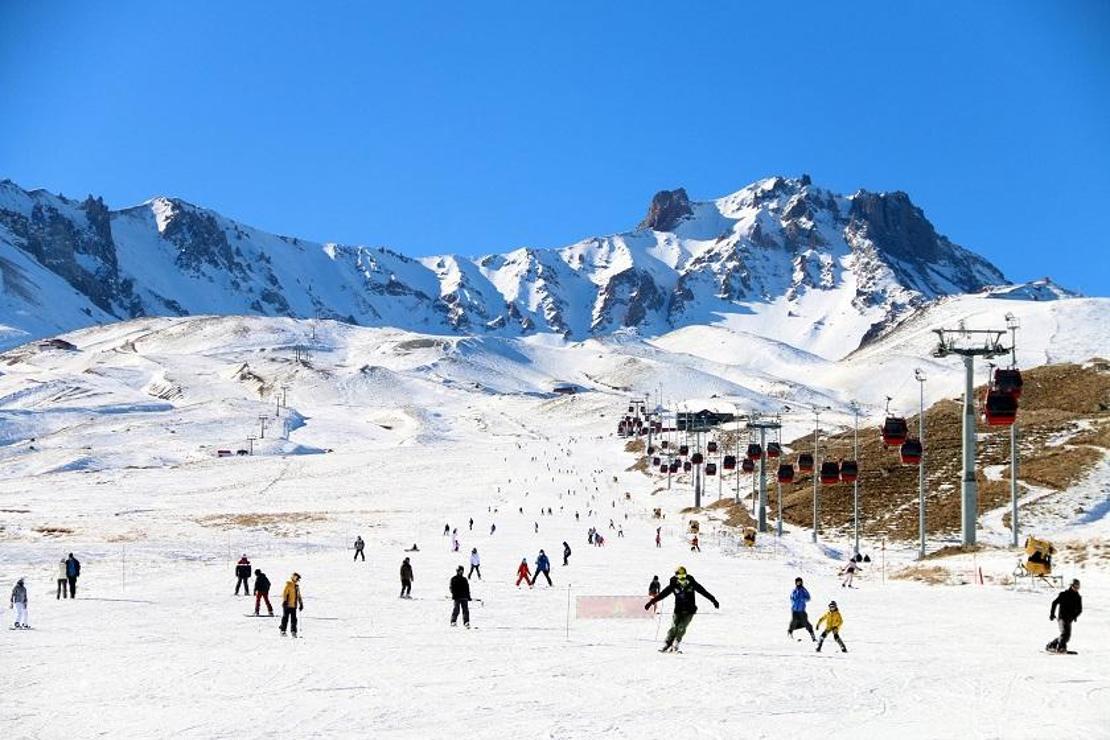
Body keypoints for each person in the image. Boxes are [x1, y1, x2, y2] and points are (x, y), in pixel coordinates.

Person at [644, 566, 718, 652]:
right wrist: (651, 602)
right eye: (680, 577)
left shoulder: (692, 583)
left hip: (690, 610)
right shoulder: (673, 584)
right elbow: (663, 594)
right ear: (676, 576)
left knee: (681, 627)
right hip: (678, 610)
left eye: (684, 576)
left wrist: (713, 600)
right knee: (674, 627)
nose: (682, 579)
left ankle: (676, 643)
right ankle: (667, 643)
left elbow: (703, 591)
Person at [1046, 579, 1082, 653]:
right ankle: (1061, 647)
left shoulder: (1078, 597)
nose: (1076, 588)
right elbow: (1054, 603)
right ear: (1071, 586)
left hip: (1069, 618)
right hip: (1062, 617)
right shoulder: (1064, 594)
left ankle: (1052, 645)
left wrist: (1075, 616)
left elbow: (1080, 609)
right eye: (1075, 586)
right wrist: (1052, 614)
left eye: (1078, 587)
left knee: (1067, 637)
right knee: (1065, 634)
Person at [788, 577, 816, 642]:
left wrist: (803, 599)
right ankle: (790, 633)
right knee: (793, 622)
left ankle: (813, 636)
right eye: (797, 582)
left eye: (800, 582)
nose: (799, 583)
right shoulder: (794, 590)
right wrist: (793, 602)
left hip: (801, 610)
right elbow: (791, 598)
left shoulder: (804, 590)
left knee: (805, 622)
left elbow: (808, 598)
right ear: (795, 583)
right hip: (794, 610)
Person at [279, 573, 303, 637]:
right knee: (285, 618)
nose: (297, 580)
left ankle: (293, 631)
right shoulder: (288, 585)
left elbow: (299, 596)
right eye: (297, 579)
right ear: (293, 578)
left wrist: (301, 603)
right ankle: (283, 631)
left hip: (294, 605)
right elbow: (284, 593)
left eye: (298, 579)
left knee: (294, 619)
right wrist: (284, 601)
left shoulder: (297, 587)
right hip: (287, 605)